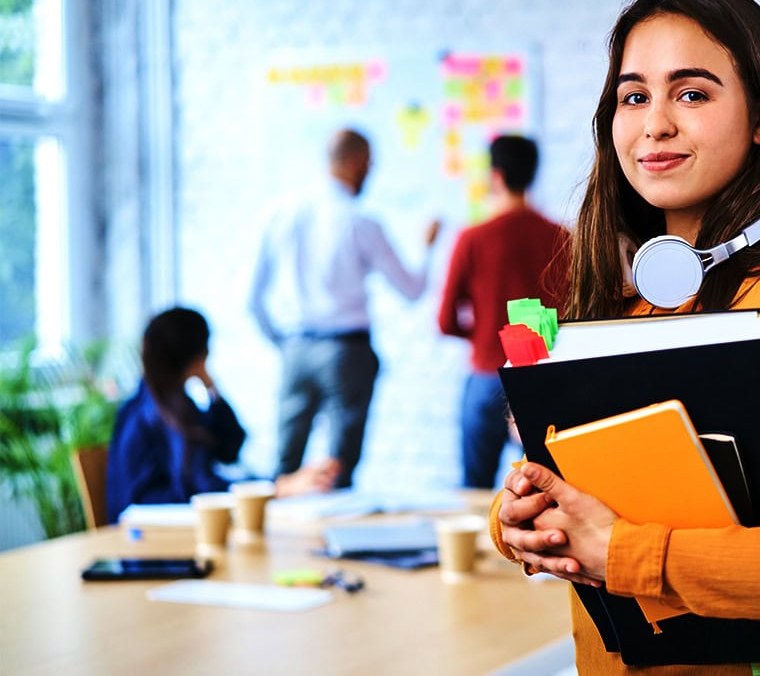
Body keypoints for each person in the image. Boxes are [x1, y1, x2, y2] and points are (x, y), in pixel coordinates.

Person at [490, 0, 760, 675]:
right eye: (634, 96)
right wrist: (516, 522)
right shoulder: (612, 308)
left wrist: (624, 554)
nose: (655, 123)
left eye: (691, 93)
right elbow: (577, 496)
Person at [248, 128, 440, 489]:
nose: (371, 171)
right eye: (370, 163)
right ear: (356, 162)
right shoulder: (360, 220)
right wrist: (427, 247)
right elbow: (412, 290)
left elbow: (252, 299)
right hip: (346, 353)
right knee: (338, 470)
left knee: (284, 471)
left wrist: (286, 344)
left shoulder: (282, 212)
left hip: (296, 347)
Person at [106, 307, 339, 523]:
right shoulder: (154, 415)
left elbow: (230, 447)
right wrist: (277, 487)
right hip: (151, 539)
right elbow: (202, 488)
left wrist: (211, 387)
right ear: (198, 357)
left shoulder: (165, 405)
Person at [437, 135, 570, 489]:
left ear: (495, 176)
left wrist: (485, 333)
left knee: (475, 488)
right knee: (542, 488)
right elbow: (572, 315)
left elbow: (445, 321)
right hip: (539, 379)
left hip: (486, 375)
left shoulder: (473, 238)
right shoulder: (561, 239)